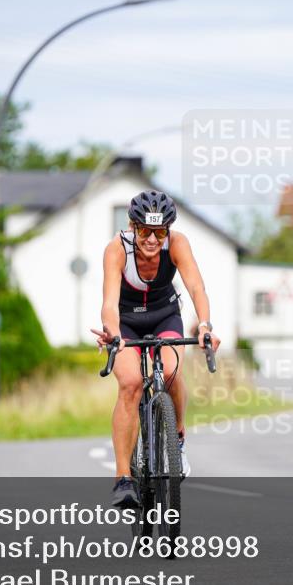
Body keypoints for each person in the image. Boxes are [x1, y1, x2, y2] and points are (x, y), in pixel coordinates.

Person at [91, 190, 220, 508]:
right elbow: (109, 302)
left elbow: (196, 287)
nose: (151, 239)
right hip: (126, 322)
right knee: (131, 383)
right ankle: (123, 478)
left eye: (160, 231)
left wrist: (204, 326)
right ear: (132, 226)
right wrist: (113, 333)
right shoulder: (116, 249)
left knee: (173, 372)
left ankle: (176, 440)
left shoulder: (177, 244)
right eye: (144, 231)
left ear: (168, 230)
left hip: (165, 315)